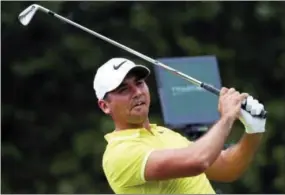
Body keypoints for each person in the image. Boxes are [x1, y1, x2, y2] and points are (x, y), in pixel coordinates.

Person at [93, 57, 266, 194]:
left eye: (139, 83)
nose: (137, 92)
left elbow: (227, 168)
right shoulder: (119, 153)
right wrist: (227, 117)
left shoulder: (164, 134)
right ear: (105, 106)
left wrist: (254, 130)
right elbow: (198, 161)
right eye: (124, 89)